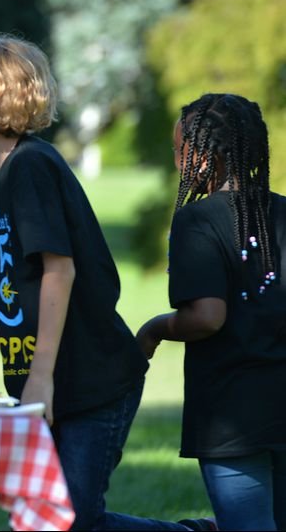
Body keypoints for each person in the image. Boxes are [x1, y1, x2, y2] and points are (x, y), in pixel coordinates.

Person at [0, 28, 216, 531]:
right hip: (54, 384)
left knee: (69, 521)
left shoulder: (31, 168)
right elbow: (8, 288)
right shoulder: (9, 174)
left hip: (90, 383)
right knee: (48, 517)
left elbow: (60, 270)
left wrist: (41, 377)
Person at [136, 93, 285, 531]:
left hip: (231, 413)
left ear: (203, 156)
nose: (178, 161)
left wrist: (153, 331)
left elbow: (207, 317)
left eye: (180, 150)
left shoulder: (197, 220)